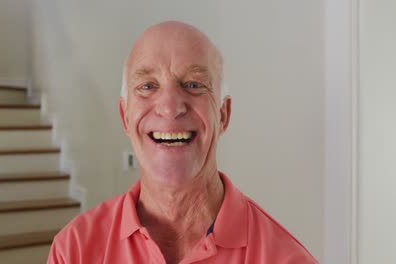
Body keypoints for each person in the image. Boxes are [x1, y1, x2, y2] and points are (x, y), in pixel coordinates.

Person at [47, 21, 318, 264]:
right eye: (147, 86)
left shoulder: (286, 258)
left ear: (223, 115)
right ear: (124, 117)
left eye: (193, 84)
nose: (170, 106)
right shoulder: (74, 251)